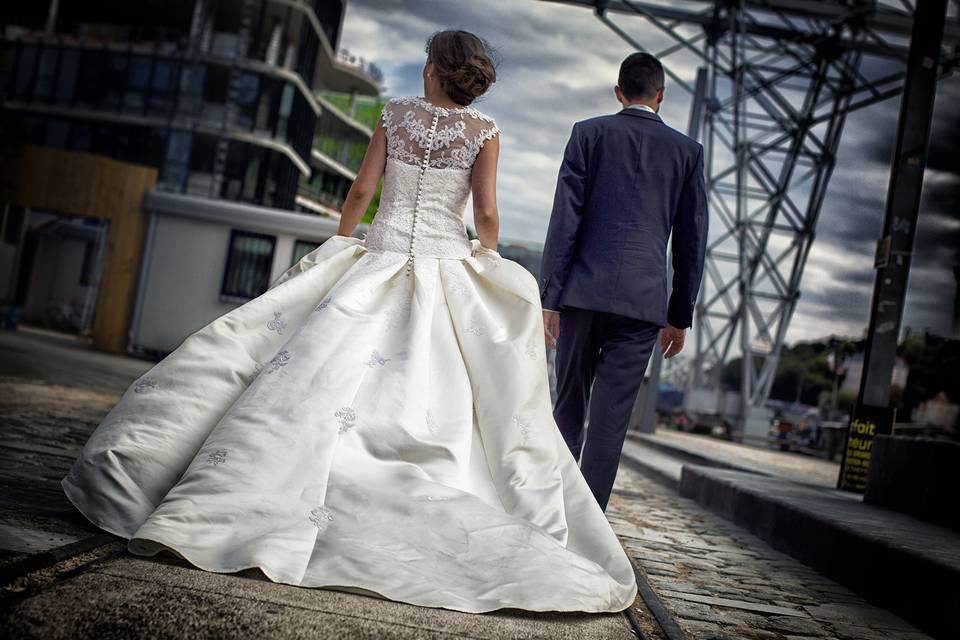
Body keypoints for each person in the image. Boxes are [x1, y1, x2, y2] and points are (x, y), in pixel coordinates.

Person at [61, 30, 638, 614]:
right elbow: (485, 212)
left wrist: (341, 244)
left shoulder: (395, 115)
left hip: (378, 257)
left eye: (424, 62)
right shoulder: (484, 133)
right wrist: (485, 251)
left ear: (434, 69)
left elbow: (364, 188)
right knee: (449, 380)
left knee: (298, 364)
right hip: (443, 264)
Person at [540, 52, 708, 512]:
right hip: (642, 305)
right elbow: (692, 241)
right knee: (611, 421)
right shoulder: (687, 153)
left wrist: (550, 298)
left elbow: (564, 220)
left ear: (618, 92)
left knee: (567, 406)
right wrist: (679, 316)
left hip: (582, 295)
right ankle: (587, 521)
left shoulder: (588, 133)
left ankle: (550, 507)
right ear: (661, 95)